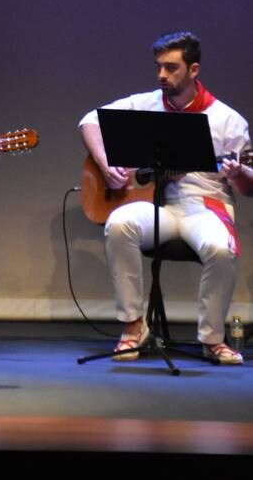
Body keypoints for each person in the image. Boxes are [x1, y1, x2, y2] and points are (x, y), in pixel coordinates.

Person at [79, 30, 253, 364]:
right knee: (119, 224)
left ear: (194, 70)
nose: (162, 75)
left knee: (221, 248)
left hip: (204, 206)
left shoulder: (228, 121)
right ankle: (133, 327)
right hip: (152, 205)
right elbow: (89, 121)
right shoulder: (145, 104)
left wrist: (239, 174)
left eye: (171, 67)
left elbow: (248, 187)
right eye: (159, 66)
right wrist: (107, 166)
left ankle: (212, 339)